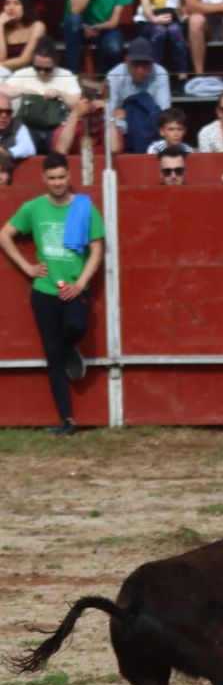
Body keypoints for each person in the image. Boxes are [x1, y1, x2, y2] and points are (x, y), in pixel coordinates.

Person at [0, 152, 105, 438]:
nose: (58, 183)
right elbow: (4, 234)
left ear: (69, 177)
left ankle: (71, 347)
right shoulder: (33, 208)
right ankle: (67, 420)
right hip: (46, 290)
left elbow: (97, 249)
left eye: (61, 177)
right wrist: (27, 267)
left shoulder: (84, 208)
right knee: (53, 359)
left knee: (76, 327)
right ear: (44, 180)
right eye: (52, 178)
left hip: (73, 287)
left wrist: (82, 282)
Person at [106, 37, 170, 153]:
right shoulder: (114, 75)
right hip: (123, 132)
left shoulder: (161, 74)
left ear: (152, 62)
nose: (140, 70)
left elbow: (164, 114)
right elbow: (109, 114)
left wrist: (129, 113)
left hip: (153, 130)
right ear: (126, 62)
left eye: (145, 65)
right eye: (136, 64)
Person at [63, 0, 132, 77]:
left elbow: (114, 22)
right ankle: (72, 73)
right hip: (78, 27)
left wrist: (96, 27)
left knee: (114, 47)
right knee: (73, 21)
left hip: (104, 27)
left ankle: (104, 79)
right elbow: (75, 11)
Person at [51, 93, 124, 156]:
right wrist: (75, 113)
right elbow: (61, 151)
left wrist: (108, 112)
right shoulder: (70, 128)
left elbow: (114, 150)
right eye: (89, 115)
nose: (93, 119)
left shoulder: (110, 129)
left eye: (97, 114)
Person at [3, 0, 48, 75]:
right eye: (7, 3)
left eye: (16, 3)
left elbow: (25, 60)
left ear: (25, 7)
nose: (11, 8)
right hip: (5, 73)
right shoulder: (3, 29)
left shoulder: (37, 26)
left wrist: (1, 66)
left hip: (30, 74)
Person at [0, 92, 37, 160]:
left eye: (8, 112)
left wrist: (6, 153)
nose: (4, 116)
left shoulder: (18, 126)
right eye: (0, 111)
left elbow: (29, 148)